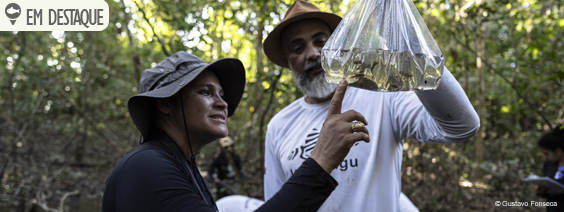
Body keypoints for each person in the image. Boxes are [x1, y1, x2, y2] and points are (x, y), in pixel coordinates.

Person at [262, 1, 480, 211]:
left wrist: (409, 40)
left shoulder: (383, 96)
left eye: (321, 41)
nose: (313, 54)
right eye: (298, 48)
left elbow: (462, 126)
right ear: (286, 59)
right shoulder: (278, 126)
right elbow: (278, 203)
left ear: (337, 44)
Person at [102, 51, 370, 212]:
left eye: (221, 94)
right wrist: (321, 159)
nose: (223, 103)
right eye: (206, 92)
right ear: (164, 103)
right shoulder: (146, 165)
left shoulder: (181, 165)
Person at [536, 125, 564, 212]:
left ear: (558, 151)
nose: (545, 157)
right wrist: (542, 191)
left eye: (546, 154)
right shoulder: (548, 165)